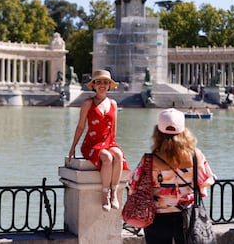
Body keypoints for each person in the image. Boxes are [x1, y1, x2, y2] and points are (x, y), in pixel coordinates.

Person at [129, 108, 216, 243]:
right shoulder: (195, 156)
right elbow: (206, 181)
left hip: (157, 216)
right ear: (184, 131)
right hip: (187, 216)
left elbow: (134, 185)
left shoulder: (149, 160)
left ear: (158, 132)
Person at [68, 70, 129, 211]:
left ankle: (114, 192)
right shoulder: (88, 103)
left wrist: (115, 146)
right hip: (91, 144)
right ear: (94, 85)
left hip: (109, 142)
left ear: (109, 85)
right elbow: (80, 126)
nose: (102, 85)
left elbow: (114, 129)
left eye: (105, 82)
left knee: (118, 155)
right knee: (107, 157)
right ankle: (104, 194)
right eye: (99, 82)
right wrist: (73, 147)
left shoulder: (113, 103)